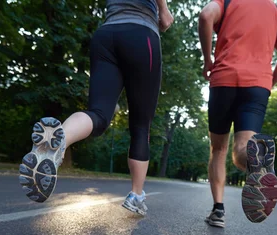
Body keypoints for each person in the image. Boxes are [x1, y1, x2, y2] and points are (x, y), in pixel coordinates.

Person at [19, 0, 174, 215]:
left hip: (106, 35)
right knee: (141, 126)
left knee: (98, 114)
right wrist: (164, 12)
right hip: (141, 33)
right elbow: (164, 20)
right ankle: (136, 195)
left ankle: (59, 137)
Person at [198, 0, 277, 228]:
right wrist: (269, 82)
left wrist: (207, 60)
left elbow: (205, 16)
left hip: (223, 79)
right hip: (257, 86)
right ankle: (259, 162)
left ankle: (218, 210)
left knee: (219, 148)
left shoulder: (227, 1)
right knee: (244, 149)